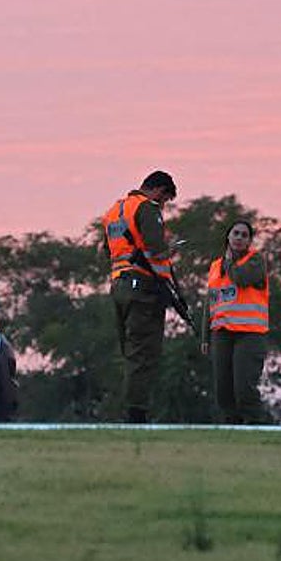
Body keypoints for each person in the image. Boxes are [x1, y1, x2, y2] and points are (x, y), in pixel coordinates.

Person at [102, 170, 178, 424]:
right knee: (143, 352)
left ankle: (131, 408)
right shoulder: (147, 208)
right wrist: (172, 248)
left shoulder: (115, 210)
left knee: (130, 351)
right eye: (165, 200)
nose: (163, 206)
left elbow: (107, 250)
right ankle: (137, 413)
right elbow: (155, 249)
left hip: (119, 285)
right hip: (143, 286)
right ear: (158, 190)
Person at [201, 220, 269, 424]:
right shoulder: (215, 267)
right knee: (223, 388)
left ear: (249, 241)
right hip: (221, 333)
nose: (239, 238)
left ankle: (256, 427)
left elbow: (241, 278)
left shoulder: (256, 261)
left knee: (244, 387)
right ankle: (232, 428)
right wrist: (205, 336)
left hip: (250, 333)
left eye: (244, 235)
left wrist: (229, 262)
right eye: (236, 234)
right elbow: (209, 303)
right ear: (228, 237)